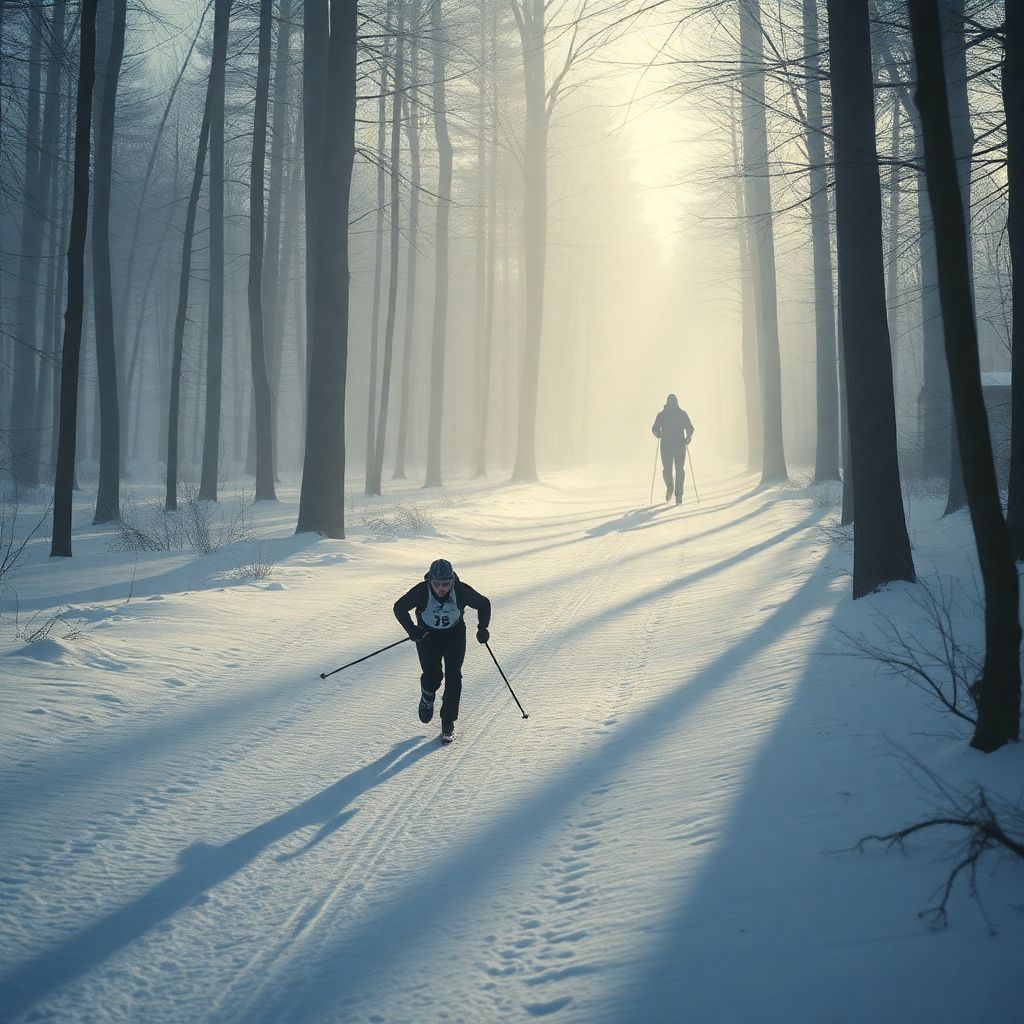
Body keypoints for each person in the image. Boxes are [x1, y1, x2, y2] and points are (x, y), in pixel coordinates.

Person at [393, 558, 491, 743]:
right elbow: (399, 607)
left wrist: (482, 627)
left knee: (454, 676)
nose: (441, 588)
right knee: (432, 675)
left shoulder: (460, 590)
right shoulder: (422, 591)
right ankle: (427, 695)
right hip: (427, 636)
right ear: (430, 581)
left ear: (452, 581)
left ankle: (448, 721)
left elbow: (483, 604)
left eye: (445, 584)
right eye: (437, 584)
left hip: (454, 636)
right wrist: (412, 630)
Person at [651, 393, 694, 505]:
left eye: (673, 402)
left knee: (674, 470)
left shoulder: (673, 414)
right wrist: (658, 433)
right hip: (673, 446)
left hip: (672, 446)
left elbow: (689, 428)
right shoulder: (666, 415)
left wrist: (689, 436)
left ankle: (676, 492)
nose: (672, 404)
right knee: (673, 470)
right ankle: (672, 489)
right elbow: (654, 429)